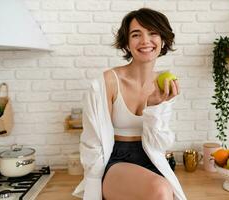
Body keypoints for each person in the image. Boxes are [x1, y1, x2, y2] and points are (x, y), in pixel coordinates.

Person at [73, 8, 186, 200]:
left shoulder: (164, 83)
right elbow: (92, 141)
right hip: (115, 160)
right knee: (160, 191)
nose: (145, 41)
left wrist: (154, 107)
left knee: (166, 193)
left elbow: (160, 143)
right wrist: (93, 184)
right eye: (136, 34)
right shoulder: (107, 82)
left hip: (152, 157)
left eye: (153, 33)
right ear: (126, 42)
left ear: (163, 40)